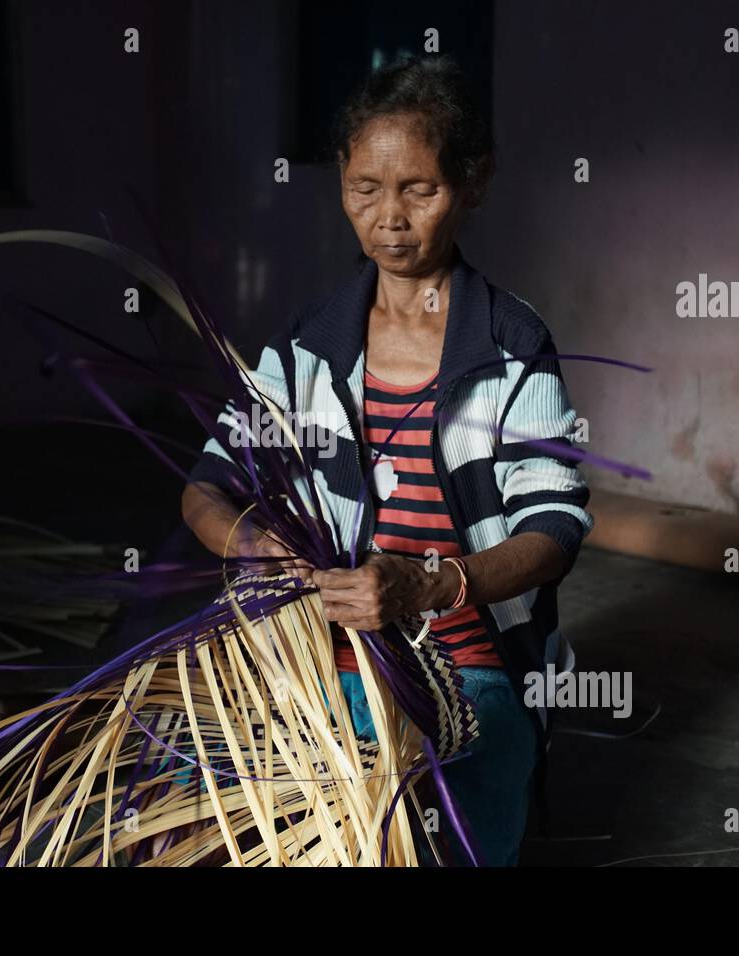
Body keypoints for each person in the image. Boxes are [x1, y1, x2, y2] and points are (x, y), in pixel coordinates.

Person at [181, 55, 592, 866]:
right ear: (340, 180)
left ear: (474, 182)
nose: (389, 219)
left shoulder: (510, 346)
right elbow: (208, 487)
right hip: (320, 655)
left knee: (453, 822)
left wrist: (435, 584)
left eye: (420, 190)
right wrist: (261, 550)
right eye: (365, 189)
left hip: (472, 661)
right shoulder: (306, 346)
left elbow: (556, 529)